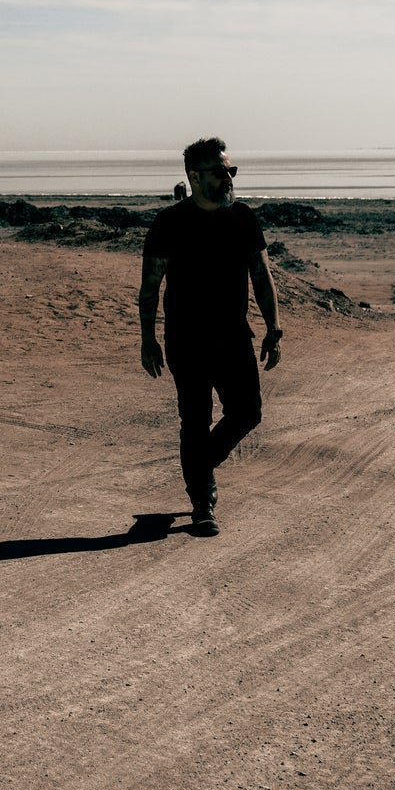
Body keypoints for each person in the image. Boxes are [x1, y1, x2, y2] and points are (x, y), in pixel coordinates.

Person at [138, 137, 281, 536]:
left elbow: (262, 276)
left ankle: (199, 466)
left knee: (248, 412)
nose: (229, 177)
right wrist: (148, 339)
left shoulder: (243, 218)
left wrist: (274, 328)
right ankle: (203, 502)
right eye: (220, 172)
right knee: (195, 420)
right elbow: (150, 286)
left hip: (234, 335)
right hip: (186, 340)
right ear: (195, 177)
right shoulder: (169, 223)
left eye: (230, 170)